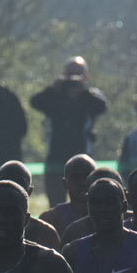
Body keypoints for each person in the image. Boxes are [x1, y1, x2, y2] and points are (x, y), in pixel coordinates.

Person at [30, 57, 107, 207]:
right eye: (70, 74)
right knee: (56, 203)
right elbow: (35, 102)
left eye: (78, 74)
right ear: (63, 74)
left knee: (85, 201)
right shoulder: (55, 95)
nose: (73, 78)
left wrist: (84, 91)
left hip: (83, 155)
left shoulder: (89, 96)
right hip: (56, 155)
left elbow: (102, 107)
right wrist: (53, 88)